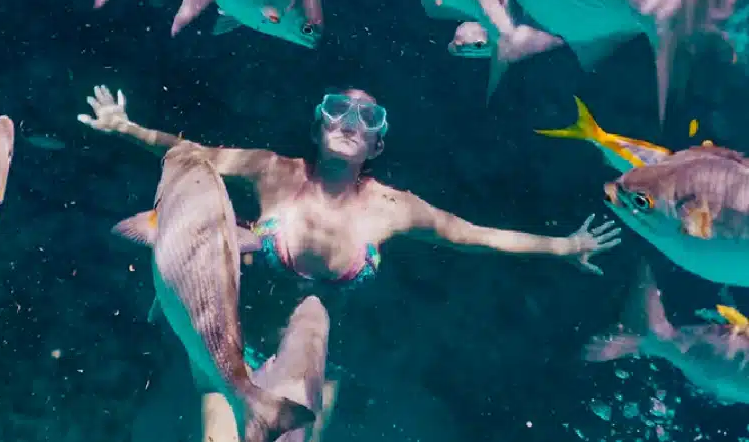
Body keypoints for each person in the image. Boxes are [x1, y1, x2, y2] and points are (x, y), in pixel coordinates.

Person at [78, 84, 621, 441]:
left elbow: (475, 236)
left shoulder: (393, 208)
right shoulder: (274, 172)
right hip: (230, 345)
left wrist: (563, 246)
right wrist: (126, 128)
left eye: (369, 116)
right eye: (337, 108)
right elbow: (192, 155)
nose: (351, 120)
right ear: (317, 127)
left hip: (321, 365)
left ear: (377, 146)